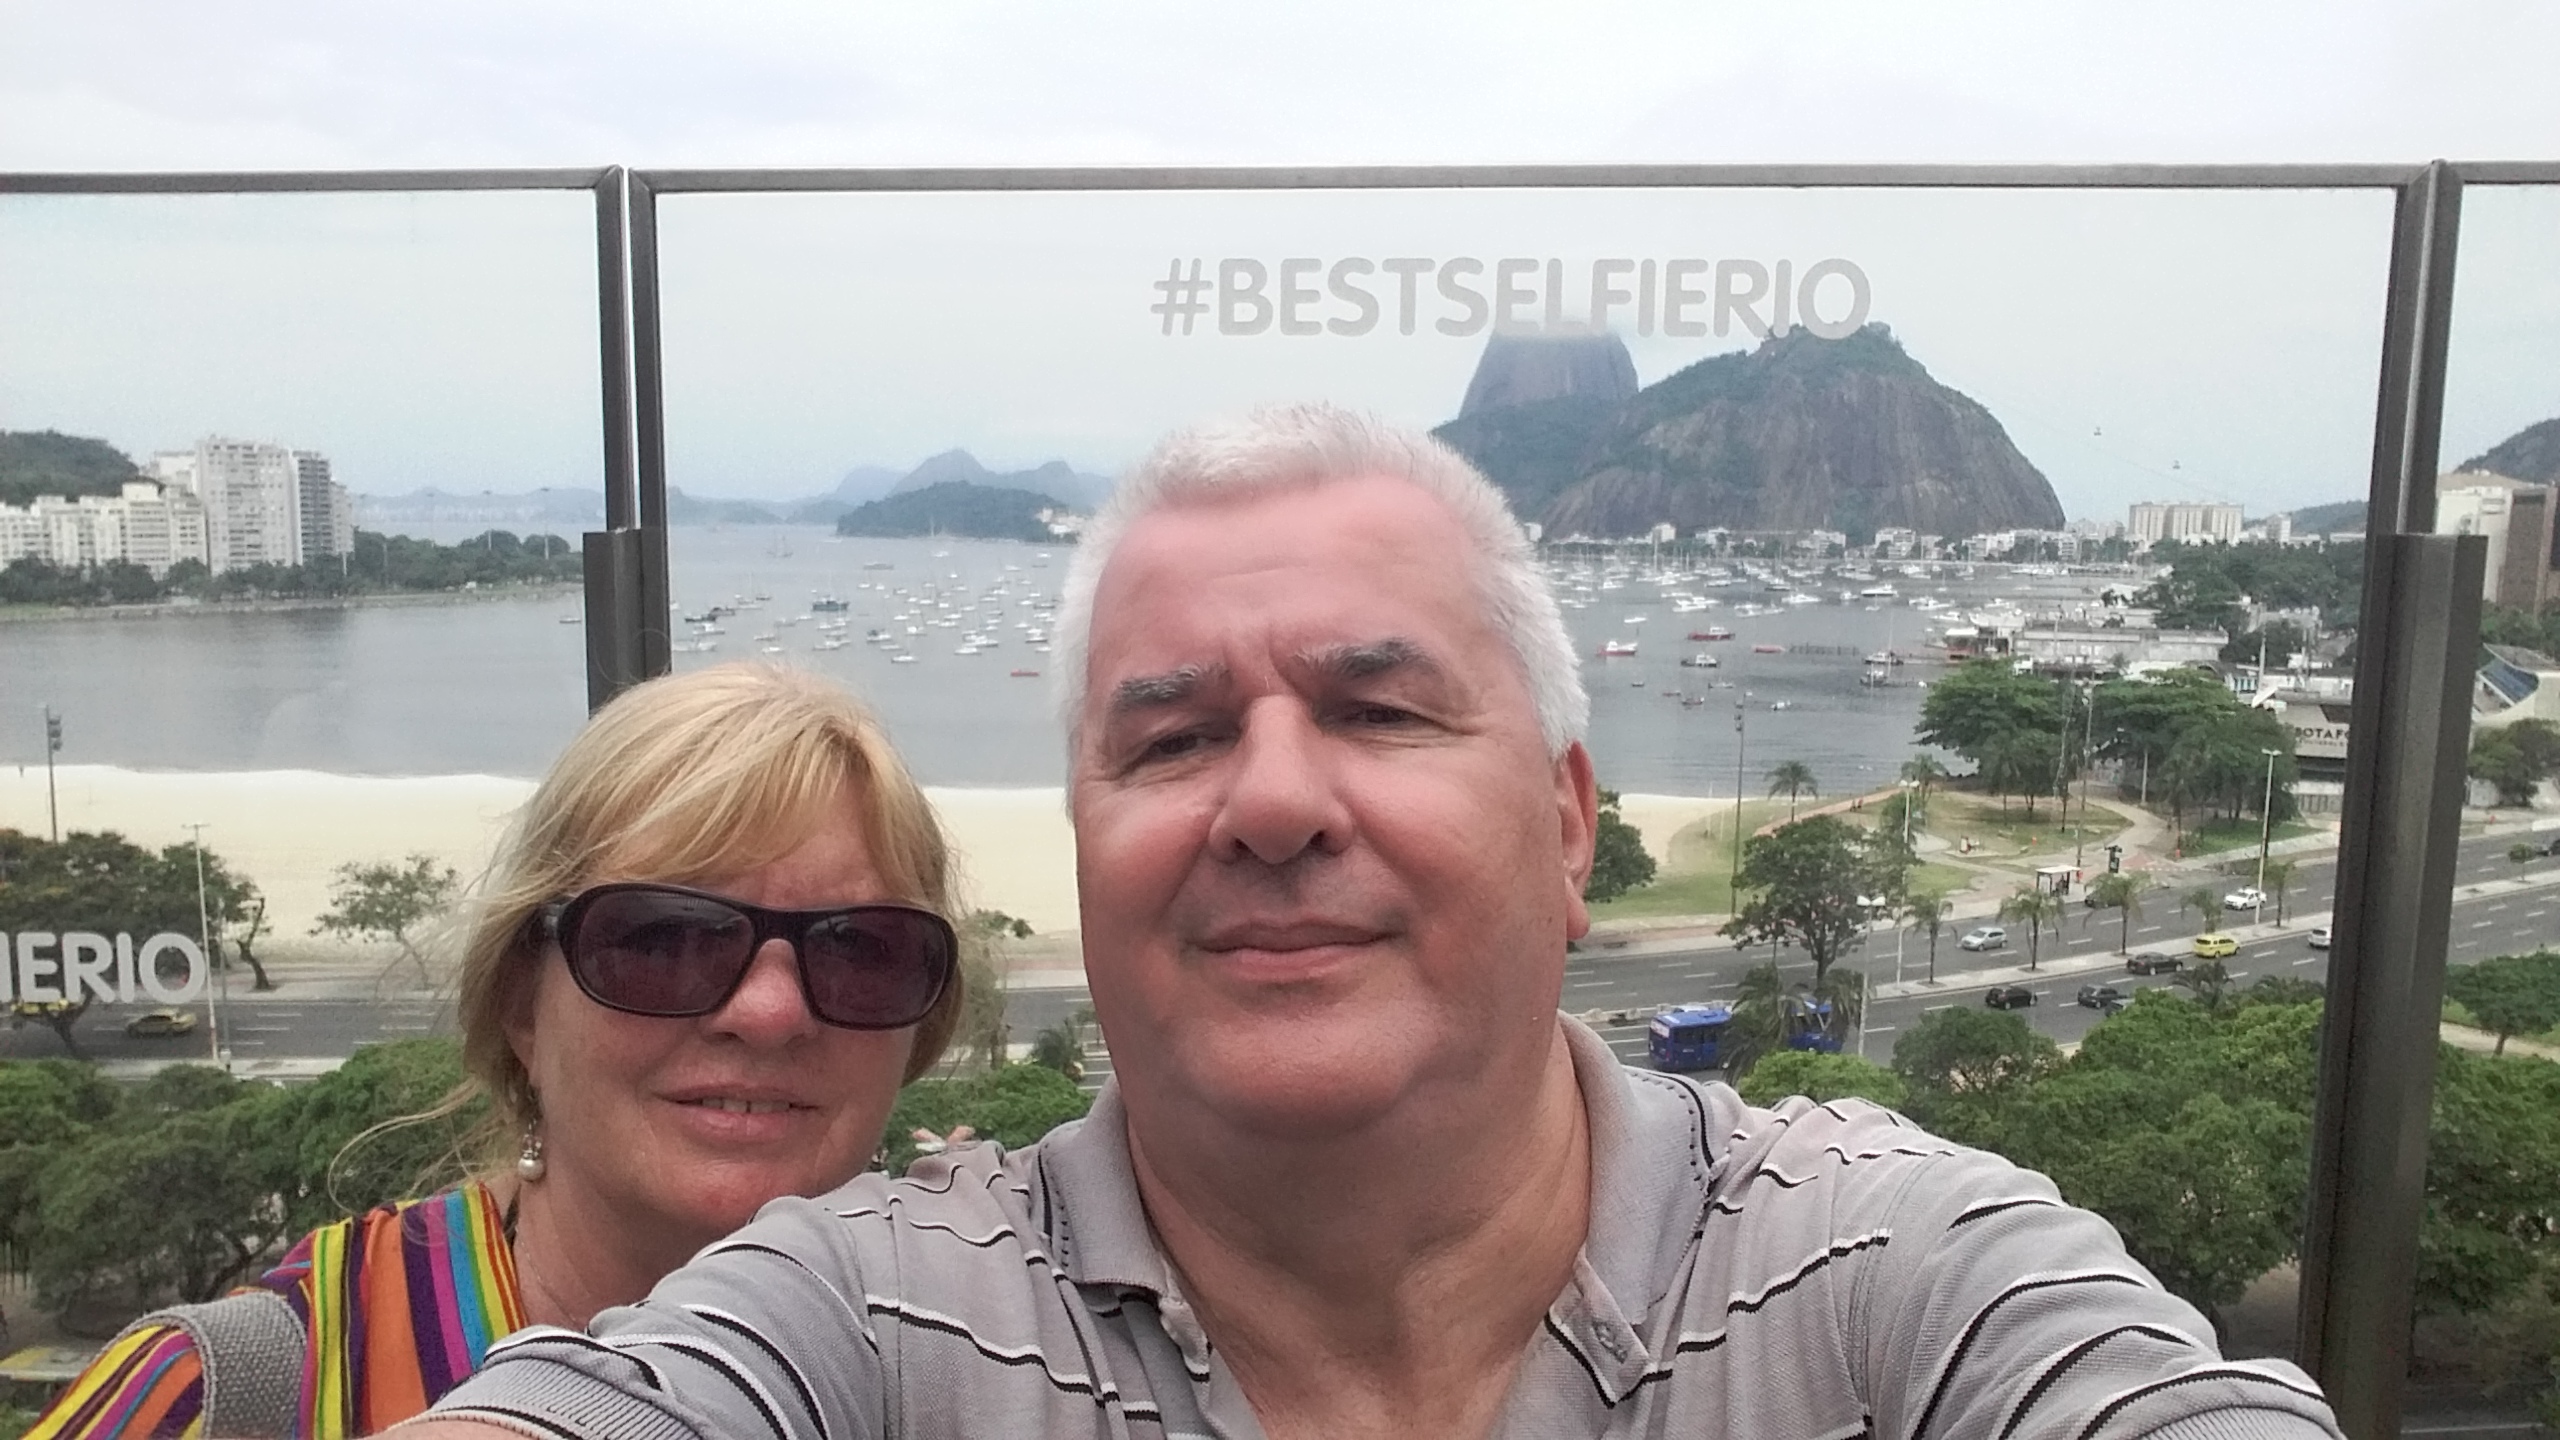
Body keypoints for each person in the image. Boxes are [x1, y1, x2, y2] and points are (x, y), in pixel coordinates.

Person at [410, 407, 2340, 1439]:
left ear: (1568, 823)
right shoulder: (872, 1310)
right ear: (1084, 852)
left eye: (1379, 709)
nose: (1270, 800)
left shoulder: (1883, 1265)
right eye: (1171, 738)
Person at [31, 663, 966, 1439]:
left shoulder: (972, 1380)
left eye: (861, 950)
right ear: (521, 1000)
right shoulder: (226, 1397)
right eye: (662, 939)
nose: (767, 1012)